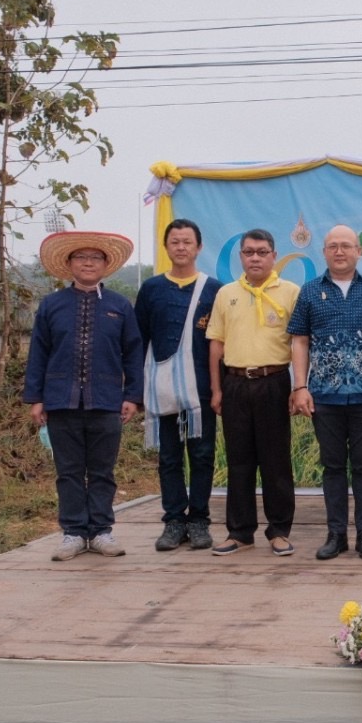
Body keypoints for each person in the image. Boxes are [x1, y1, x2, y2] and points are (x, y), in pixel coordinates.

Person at [24, 231, 143, 561]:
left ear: (106, 265)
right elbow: (39, 353)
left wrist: (132, 395)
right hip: (61, 401)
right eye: (81, 257)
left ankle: (102, 531)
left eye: (96, 258)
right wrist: (36, 397)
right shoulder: (52, 305)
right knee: (69, 471)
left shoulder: (119, 306)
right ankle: (73, 532)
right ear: (69, 264)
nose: (88, 263)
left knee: (103, 470)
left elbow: (133, 353)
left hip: (107, 401)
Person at [288, 224, 362, 561]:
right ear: (324, 252)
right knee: (332, 466)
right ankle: (336, 534)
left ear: (359, 251)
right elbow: (299, 339)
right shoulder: (310, 292)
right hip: (324, 396)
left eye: (346, 245)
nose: (340, 251)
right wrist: (300, 385)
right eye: (333, 246)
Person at [205, 228, 300, 557]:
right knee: (239, 461)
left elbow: (301, 344)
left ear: (274, 255)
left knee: (276, 461)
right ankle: (240, 531)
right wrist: (217, 389)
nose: (255, 257)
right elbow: (216, 344)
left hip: (273, 382)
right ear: (241, 257)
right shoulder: (226, 293)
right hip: (234, 384)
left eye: (262, 251)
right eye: (249, 252)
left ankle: (279, 530)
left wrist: (298, 386)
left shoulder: (290, 292)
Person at [134, 219, 222, 552]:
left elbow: (221, 344)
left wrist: (219, 389)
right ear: (166, 247)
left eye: (187, 242)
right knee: (169, 456)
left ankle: (199, 520)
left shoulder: (213, 289)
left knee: (202, 455)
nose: (181, 247)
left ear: (199, 247)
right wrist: (135, 390)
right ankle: (173, 520)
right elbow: (139, 339)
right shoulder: (152, 289)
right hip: (161, 388)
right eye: (175, 242)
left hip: (201, 388)